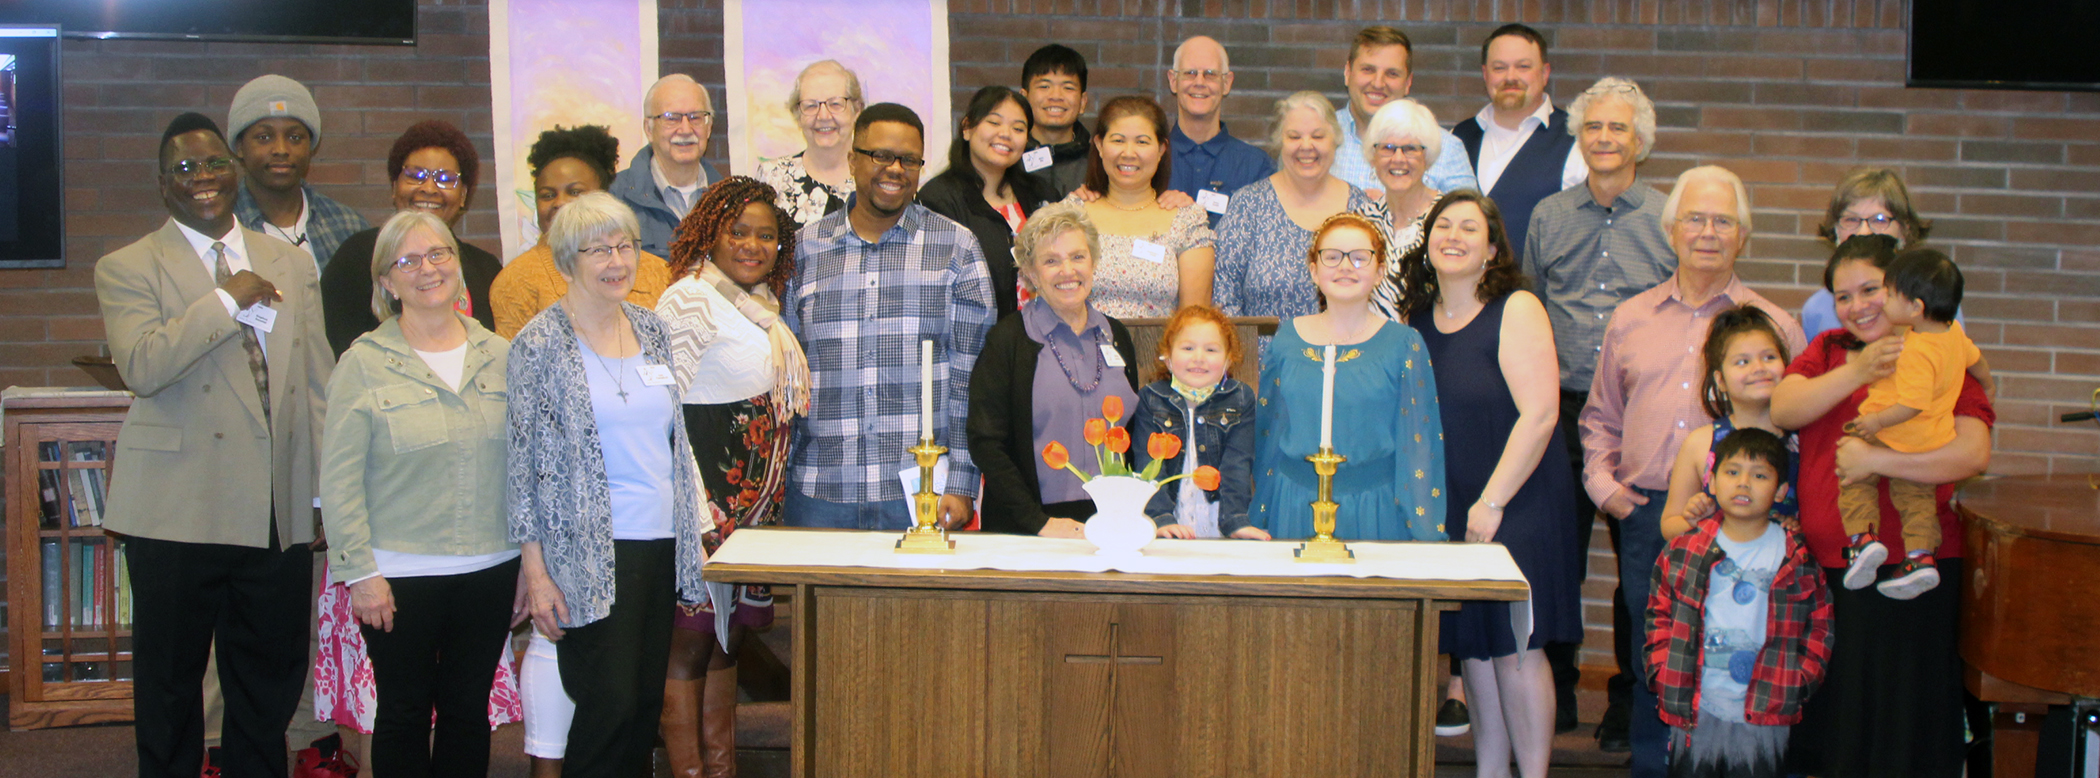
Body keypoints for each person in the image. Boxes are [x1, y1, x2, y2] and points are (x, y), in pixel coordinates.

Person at [94, 112, 331, 778]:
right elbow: (142, 364)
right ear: (162, 183)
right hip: (176, 508)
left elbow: (315, 378)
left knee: (267, 681)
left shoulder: (287, 259)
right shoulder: (129, 266)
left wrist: (318, 491)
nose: (202, 179)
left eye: (213, 164)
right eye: (184, 168)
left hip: (274, 506)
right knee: (171, 686)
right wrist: (224, 302)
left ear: (235, 170)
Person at [1580, 165, 1806, 778]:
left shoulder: (1776, 326)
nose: (1708, 232)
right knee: (1658, 656)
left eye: (1723, 221)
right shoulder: (1631, 318)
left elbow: (1797, 427)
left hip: (1753, 528)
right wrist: (1613, 496)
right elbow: (1599, 419)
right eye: (1695, 219)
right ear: (1671, 229)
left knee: (1745, 650)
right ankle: (1655, 768)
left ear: (1743, 235)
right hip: (1653, 516)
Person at [1770, 233, 1992, 778]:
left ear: (1902, 291)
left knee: (1901, 729)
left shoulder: (1936, 349)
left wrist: (1877, 462)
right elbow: (1784, 407)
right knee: (1838, 726)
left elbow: (1971, 453)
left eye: (1871, 289)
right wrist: (1859, 370)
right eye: (1843, 296)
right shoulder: (1826, 352)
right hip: (1832, 569)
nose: (1857, 305)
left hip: (1913, 569)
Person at [508, 191, 714, 778]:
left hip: (657, 544)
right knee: (610, 704)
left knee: (643, 706)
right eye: (598, 250)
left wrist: (691, 535)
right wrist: (536, 572)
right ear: (567, 261)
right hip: (588, 553)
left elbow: (672, 440)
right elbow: (522, 469)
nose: (616, 261)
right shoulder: (539, 345)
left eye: (624, 245)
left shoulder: (652, 329)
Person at [317, 210, 521, 778]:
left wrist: (533, 564)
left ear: (458, 266)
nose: (427, 269)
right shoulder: (362, 364)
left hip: (490, 563)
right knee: (403, 712)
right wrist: (359, 573)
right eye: (407, 261)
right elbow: (339, 481)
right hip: (397, 573)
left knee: (467, 712)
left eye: (439, 255)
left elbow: (524, 472)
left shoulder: (502, 357)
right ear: (386, 281)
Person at [1396, 191, 1580, 777]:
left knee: (1517, 647)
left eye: (1468, 228)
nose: (1452, 235)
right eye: (1442, 224)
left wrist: (1493, 501)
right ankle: (1490, 770)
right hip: (1455, 502)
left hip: (1515, 499)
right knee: (1474, 643)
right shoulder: (1417, 320)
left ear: (1492, 248)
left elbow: (1542, 414)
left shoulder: (1516, 308)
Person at [1522, 75, 1675, 747]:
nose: (1605, 139)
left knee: (1640, 565)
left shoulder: (1668, 218)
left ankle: (1629, 701)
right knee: (1557, 558)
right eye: (1593, 128)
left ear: (1639, 139)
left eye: (1617, 128)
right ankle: (1556, 689)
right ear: (1578, 138)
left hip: (1637, 417)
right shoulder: (1548, 216)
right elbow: (1527, 305)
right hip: (1557, 411)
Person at [653, 177, 810, 778]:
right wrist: (696, 514)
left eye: (766, 235)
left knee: (727, 645)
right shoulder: (689, 300)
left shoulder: (761, 306)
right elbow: (663, 413)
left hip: (751, 513)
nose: (752, 244)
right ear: (708, 233)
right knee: (690, 645)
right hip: (705, 507)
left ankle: (722, 769)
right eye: (737, 231)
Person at [782, 103, 993, 530]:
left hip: (921, 493)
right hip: (820, 489)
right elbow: (787, 372)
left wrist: (964, 481)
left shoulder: (956, 248)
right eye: (880, 156)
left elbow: (971, 378)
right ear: (853, 159)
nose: (894, 169)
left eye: (908, 160)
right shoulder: (805, 249)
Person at [1645, 428, 1833, 778]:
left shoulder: (1795, 557)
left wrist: (1800, 680)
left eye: (1759, 475)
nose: (1744, 483)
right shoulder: (1685, 549)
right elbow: (1659, 613)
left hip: (1767, 702)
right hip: (1696, 705)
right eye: (1732, 472)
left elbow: (1819, 623)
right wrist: (1661, 668)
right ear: (1712, 483)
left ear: (1780, 491)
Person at [1250, 212, 1445, 542]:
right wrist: (1260, 515)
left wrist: (1426, 536)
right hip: (1294, 503)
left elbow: (1419, 445)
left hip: (1373, 507)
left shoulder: (1404, 345)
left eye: (1359, 257)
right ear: (1313, 269)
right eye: (1332, 256)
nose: (1344, 266)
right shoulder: (1287, 340)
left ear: (1380, 270)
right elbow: (1269, 437)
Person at [968, 204, 1141, 536]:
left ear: (1093, 262)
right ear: (1031, 274)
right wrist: (1039, 523)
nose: (1068, 270)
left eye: (1078, 257)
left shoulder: (1116, 335)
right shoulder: (1007, 341)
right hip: (1028, 528)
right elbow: (986, 443)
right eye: (1051, 261)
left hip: (1113, 524)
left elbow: (1131, 436)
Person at [1836, 248, 1991, 600]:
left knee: (1853, 477)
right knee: (1917, 500)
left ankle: (1863, 540)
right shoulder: (1952, 334)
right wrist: (1990, 384)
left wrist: (1875, 421)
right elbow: (1977, 361)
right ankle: (1920, 558)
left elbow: (1911, 403)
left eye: (1889, 295)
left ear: (1916, 308)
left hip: (1895, 435)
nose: (1884, 302)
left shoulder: (1916, 349)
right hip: (1930, 442)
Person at [320, 119, 502, 357]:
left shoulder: (486, 270)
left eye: (445, 179)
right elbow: (337, 353)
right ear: (394, 187)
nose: (429, 188)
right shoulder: (357, 257)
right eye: (415, 175)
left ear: (463, 195)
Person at [1213, 92, 1376, 336]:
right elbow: (1223, 297)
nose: (1306, 146)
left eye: (1318, 136)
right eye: (1294, 136)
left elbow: (1376, 296)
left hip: (1343, 362)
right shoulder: (1248, 205)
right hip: (1262, 367)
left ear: (1336, 140)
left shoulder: (1360, 208)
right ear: (1280, 142)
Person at [490, 124, 673, 339]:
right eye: (547, 195)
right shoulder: (516, 280)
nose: (560, 203)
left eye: (575, 192)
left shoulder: (659, 272)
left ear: (604, 195)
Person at [1062, 95, 1216, 318]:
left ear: (1161, 149)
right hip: (1079, 350)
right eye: (1118, 140)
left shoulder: (1188, 220)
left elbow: (1195, 319)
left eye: (1142, 142)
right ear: (1099, 145)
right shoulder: (1071, 215)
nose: (1129, 153)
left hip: (1157, 351)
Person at [1658, 305, 1800, 540]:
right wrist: (1694, 521)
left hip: (1786, 572)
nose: (1759, 368)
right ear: (1720, 379)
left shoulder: (1804, 438)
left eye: (1769, 357)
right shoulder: (1700, 443)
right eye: (1742, 362)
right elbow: (1669, 525)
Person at [1451, 23, 1586, 263]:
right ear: (1485, 74)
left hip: (1537, 296)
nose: (1510, 77)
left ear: (1545, 73)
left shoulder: (1576, 141)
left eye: (1523, 67)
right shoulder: (1458, 137)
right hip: (1462, 296)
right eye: (1499, 68)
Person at [918, 85, 1055, 319]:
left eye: (1018, 128)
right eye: (994, 122)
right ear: (967, 129)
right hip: (977, 340)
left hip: (1042, 336)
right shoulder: (939, 198)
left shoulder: (1040, 193)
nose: (1005, 134)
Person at [1129, 304, 1259, 539]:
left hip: (1218, 516)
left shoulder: (1240, 398)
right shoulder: (1151, 398)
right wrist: (1159, 519)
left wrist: (1236, 520)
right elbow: (1148, 466)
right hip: (1168, 515)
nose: (1198, 358)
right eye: (1188, 347)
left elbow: (1238, 464)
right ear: (1168, 358)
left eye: (1211, 349)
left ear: (1228, 361)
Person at [227, 75, 370, 272]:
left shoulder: (347, 226)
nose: (281, 149)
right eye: (264, 137)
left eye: (295, 137)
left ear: (310, 146)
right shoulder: (221, 227)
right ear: (239, 147)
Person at [1331, 26, 1477, 196]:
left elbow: (1469, 219)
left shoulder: (1447, 148)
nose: (1378, 83)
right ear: (1348, 73)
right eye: (1368, 70)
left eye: (1392, 74)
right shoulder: (1318, 139)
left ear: (1408, 82)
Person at [1799, 168, 1935, 337]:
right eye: (1851, 220)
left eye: (1879, 220)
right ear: (1835, 232)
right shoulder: (1816, 310)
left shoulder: (1936, 299)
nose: (1863, 232)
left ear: (1905, 231)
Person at [1166, 35, 1275, 226]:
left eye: (1210, 74)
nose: (1199, 82)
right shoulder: (1149, 159)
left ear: (1227, 83)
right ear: (1173, 80)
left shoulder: (1256, 167)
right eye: (1190, 73)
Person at [613, 74, 721, 257]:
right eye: (672, 118)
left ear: (709, 127)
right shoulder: (616, 197)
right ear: (649, 129)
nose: (686, 130)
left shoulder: (731, 202)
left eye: (696, 117)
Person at [1358, 98, 1445, 321]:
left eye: (1410, 149)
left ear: (1427, 156)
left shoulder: (1446, 221)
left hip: (1431, 349)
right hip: (1371, 348)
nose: (1398, 159)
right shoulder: (1361, 222)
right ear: (1373, 156)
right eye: (1387, 148)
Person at [755, 60, 860, 225]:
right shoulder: (772, 177)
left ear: (856, 110)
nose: (823, 116)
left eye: (835, 104)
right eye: (811, 106)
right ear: (798, 114)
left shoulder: (874, 178)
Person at [1020, 44, 1093, 197]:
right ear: (1024, 98)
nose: (1056, 96)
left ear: (1083, 102)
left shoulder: (1099, 164)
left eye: (1068, 88)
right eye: (1045, 86)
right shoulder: (1006, 159)